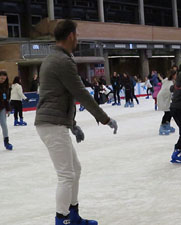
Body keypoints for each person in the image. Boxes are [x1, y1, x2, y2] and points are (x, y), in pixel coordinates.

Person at [35, 20, 118, 225]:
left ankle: (73, 215)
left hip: (55, 122)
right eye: (77, 35)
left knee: (75, 170)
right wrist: (104, 118)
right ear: (71, 35)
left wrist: (71, 124)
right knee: (66, 175)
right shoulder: (63, 61)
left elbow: (59, 95)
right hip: (52, 124)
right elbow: (80, 92)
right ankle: (62, 220)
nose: (77, 39)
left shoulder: (54, 58)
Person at [157, 70, 177, 135]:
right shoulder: (170, 82)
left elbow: (162, 80)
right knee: (167, 112)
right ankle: (162, 127)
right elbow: (171, 91)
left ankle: (167, 125)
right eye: (176, 75)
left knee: (169, 112)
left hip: (165, 98)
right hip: (163, 98)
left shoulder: (167, 80)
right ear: (173, 75)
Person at [0, 70, 13, 150]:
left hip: (2, 108)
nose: (2, 80)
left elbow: (6, 99)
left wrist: (8, 108)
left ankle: (6, 141)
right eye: (1, 78)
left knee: (4, 124)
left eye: (4, 79)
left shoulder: (5, 87)